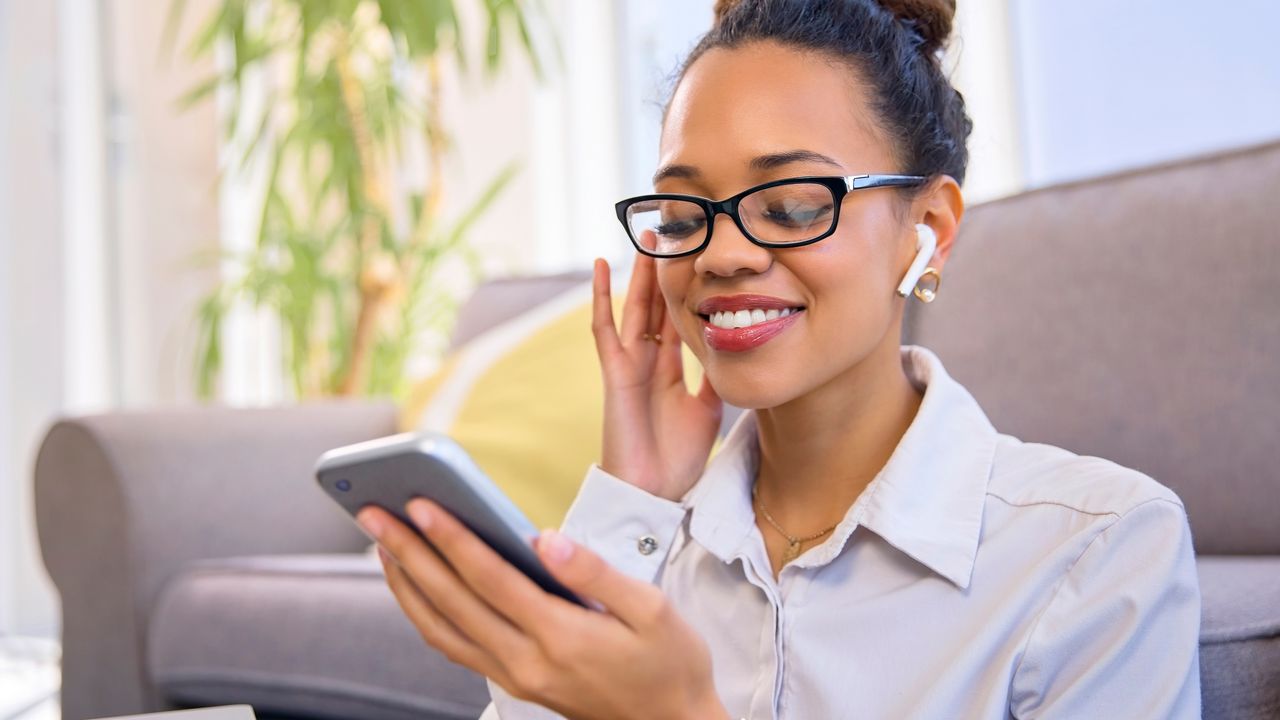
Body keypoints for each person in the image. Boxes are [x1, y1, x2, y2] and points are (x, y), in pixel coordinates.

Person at [355, 0, 1203, 717]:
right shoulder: (647, 540)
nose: (720, 254)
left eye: (795, 207)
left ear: (930, 231)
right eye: (685, 214)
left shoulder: (1098, 551)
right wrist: (631, 505)